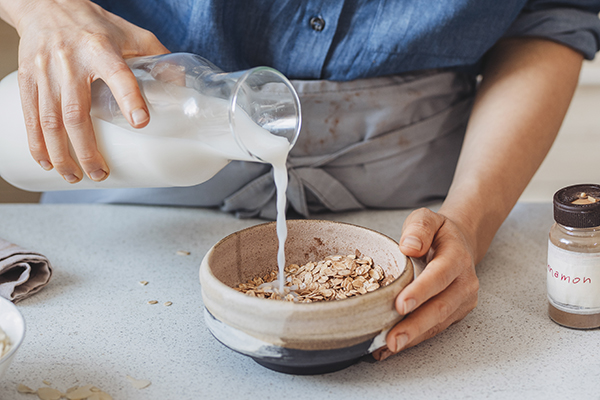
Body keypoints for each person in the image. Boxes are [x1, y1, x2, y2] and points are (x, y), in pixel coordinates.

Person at [1, 0, 599, 361]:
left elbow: (550, 17)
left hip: (423, 190)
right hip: (136, 128)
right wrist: (41, 10)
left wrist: (470, 220)